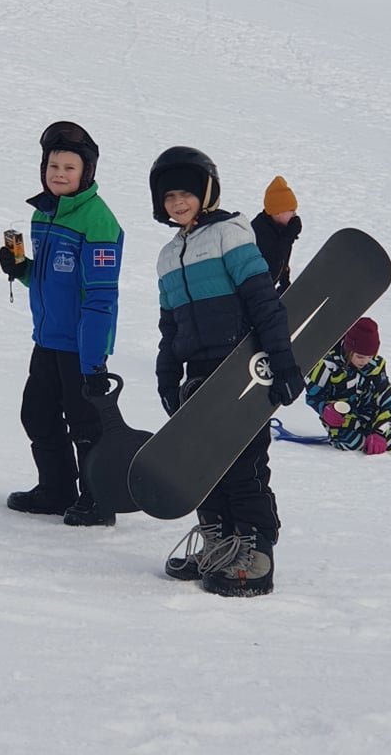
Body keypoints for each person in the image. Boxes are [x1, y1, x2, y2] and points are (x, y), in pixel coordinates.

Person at [149, 147, 304, 597]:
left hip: (240, 369)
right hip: (197, 375)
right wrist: (166, 373)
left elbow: (263, 302)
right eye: (169, 196)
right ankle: (219, 541)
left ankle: (255, 549)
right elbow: (169, 325)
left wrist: (283, 360)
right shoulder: (166, 256)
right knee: (204, 462)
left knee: (244, 462)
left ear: (207, 193)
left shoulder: (231, 235)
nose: (178, 202)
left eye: (186, 193)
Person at [0, 121, 124, 526]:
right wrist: (21, 268)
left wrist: (93, 363)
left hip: (81, 347)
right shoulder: (46, 214)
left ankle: (98, 499)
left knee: (86, 425)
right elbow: (52, 278)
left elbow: (100, 296)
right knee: (37, 414)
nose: (59, 174)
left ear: (86, 173)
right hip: (48, 339)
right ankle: (56, 489)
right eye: (53, 165)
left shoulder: (98, 221)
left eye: (69, 167)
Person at [305, 317, 391, 453]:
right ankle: (363, 439)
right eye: (360, 357)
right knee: (351, 443)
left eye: (370, 357)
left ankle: (377, 436)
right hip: (342, 420)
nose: (365, 362)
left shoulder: (375, 367)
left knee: (390, 441)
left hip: (371, 417)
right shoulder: (327, 365)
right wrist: (324, 409)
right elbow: (313, 395)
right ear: (349, 349)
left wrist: (379, 431)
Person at [251, 175, 302, 294]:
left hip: (266, 287)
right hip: (253, 291)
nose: (294, 215)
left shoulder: (279, 227)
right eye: (291, 211)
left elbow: (283, 260)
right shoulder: (260, 232)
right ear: (278, 212)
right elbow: (274, 261)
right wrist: (288, 237)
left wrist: (285, 283)